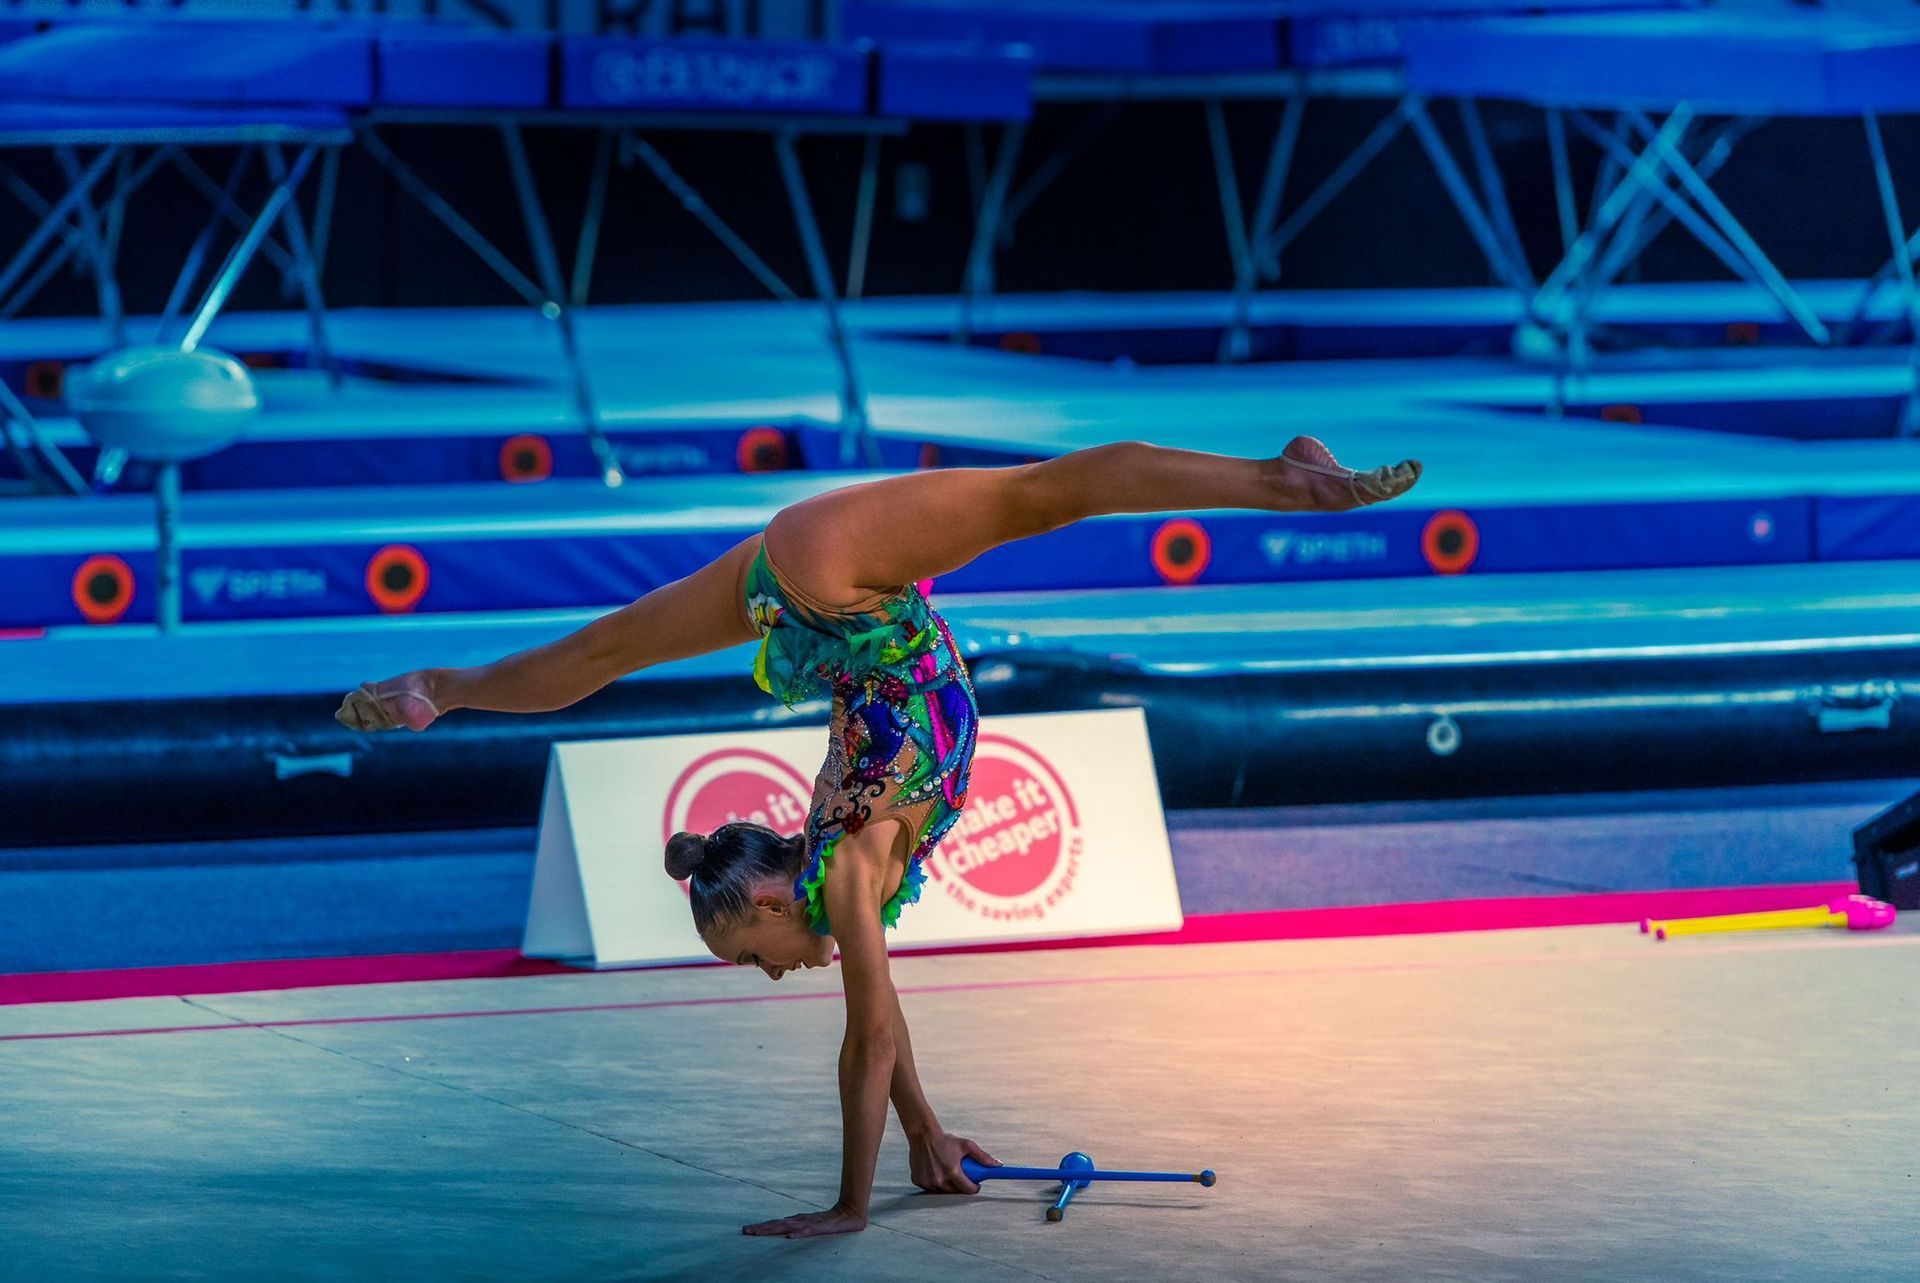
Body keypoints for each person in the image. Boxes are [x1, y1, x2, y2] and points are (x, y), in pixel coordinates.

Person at [335, 436, 1420, 1237]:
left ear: (771, 900)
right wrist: (925, 1135)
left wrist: (850, 1202)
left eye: (752, 956)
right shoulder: (836, 865)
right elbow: (885, 1020)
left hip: (837, 577)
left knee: (1048, 494)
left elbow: (867, 1041)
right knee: (605, 650)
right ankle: (438, 687)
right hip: (809, 592)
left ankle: (1285, 481)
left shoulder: (849, 868)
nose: (771, 973)